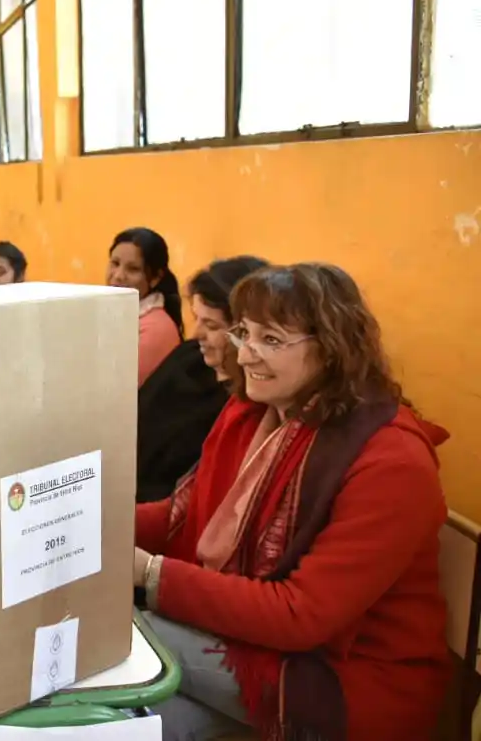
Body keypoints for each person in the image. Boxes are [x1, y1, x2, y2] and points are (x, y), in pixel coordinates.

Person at [133, 263, 451, 741]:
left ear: (331, 347)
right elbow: (183, 516)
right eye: (244, 333)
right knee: (141, 717)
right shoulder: (255, 413)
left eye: (272, 340)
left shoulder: (392, 461)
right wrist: (92, 521)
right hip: (258, 644)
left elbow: (301, 615)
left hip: (345, 678)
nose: (245, 356)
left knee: (125, 640)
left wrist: (148, 572)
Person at [135, 256, 269, 502]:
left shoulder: (252, 400)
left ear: (246, 333)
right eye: (196, 318)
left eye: (212, 325)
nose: (197, 334)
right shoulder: (187, 358)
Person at [105, 227, 183, 385]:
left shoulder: (155, 329)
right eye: (115, 263)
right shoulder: (115, 314)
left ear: (155, 278)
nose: (118, 276)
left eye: (133, 269)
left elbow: (115, 387)